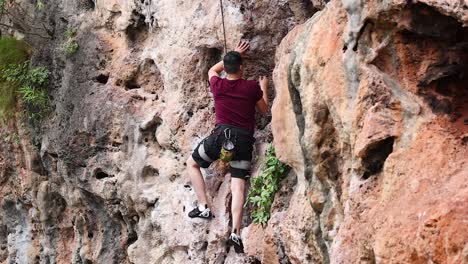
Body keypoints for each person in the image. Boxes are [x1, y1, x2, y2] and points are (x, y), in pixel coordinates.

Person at [186, 40, 269, 253]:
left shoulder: (217, 84)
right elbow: (264, 110)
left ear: (227, 67)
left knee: (193, 164)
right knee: (238, 186)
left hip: (220, 138)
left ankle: (203, 206)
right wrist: (264, 88)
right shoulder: (252, 88)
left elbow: (212, 69)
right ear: (242, 67)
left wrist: (233, 54)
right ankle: (236, 232)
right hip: (243, 142)